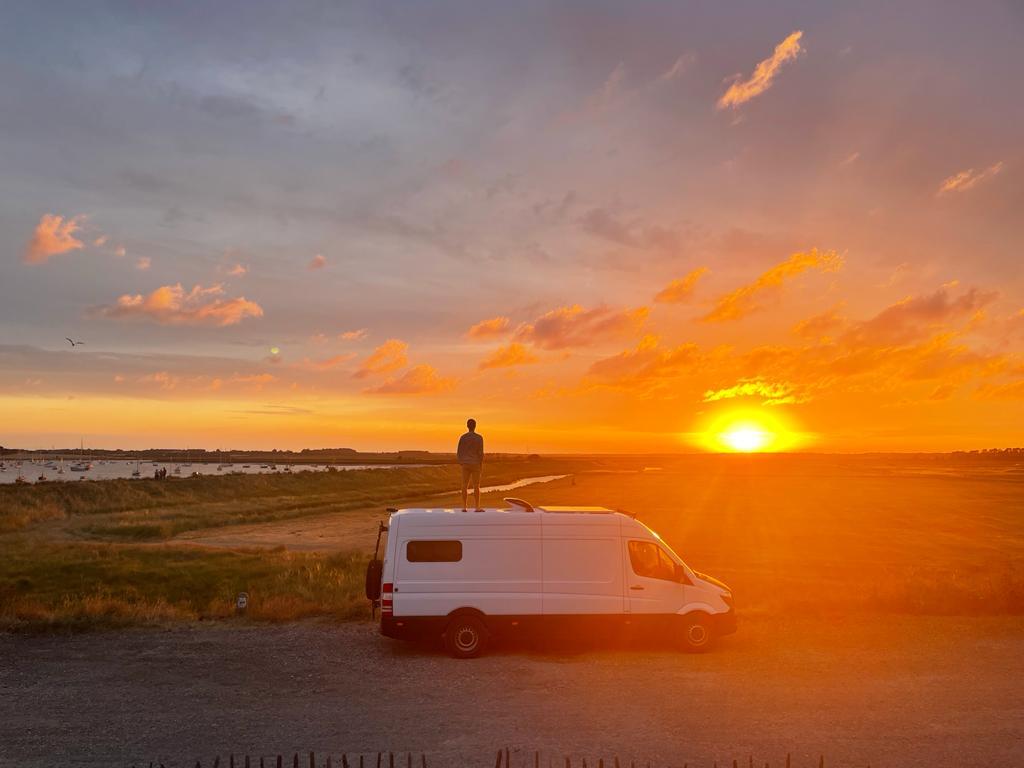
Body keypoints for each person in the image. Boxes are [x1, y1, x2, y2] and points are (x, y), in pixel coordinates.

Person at [457, 418, 484, 510]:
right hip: (475, 463)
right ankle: (477, 507)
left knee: (464, 485)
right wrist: (480, 465)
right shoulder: (479, 438)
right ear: (475, 426)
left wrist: (461, 462)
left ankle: (464, 507)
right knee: (476, 485)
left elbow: (459, 451)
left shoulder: (463, 437)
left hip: (465, 463)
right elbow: (480, 453)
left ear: (467, 426)